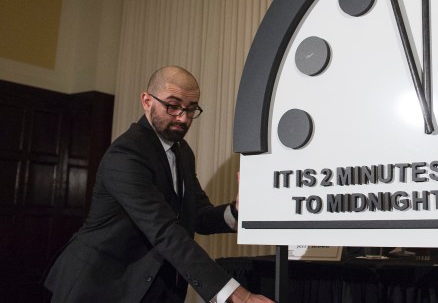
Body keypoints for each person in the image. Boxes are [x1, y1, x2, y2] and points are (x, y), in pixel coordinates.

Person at [44, 66, 272, 303]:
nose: (183, 117)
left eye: (191, 109)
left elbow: (198, 215)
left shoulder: (183, 152)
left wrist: (237, 211)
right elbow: (164, 230)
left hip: (152, 286)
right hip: (99, 285)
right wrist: (238, 295)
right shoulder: (126, 154)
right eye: (172, 106)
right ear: (146, 101)